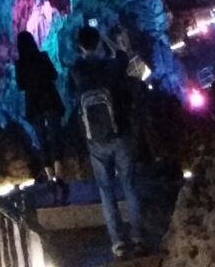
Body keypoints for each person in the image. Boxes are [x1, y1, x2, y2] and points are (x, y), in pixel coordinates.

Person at [68, 25, 148, 259]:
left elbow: (73, 98)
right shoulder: (110, 67)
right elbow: (124, 56)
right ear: (98, 44)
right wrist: (105, 38)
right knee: (129, 185)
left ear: (80, 46)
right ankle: (139, 238)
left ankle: (118, 243)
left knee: (106, 191)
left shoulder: (76, 71)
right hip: (120, 132)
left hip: (94, 140)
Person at [14, 30, 66, 183]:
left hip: (34, 104)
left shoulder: (20, 64)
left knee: (41, 138)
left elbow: (20, 85)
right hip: (49, 99)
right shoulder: (42, 57)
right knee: (54, 134)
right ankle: (59, 168)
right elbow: (54, 75)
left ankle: (49, 174)